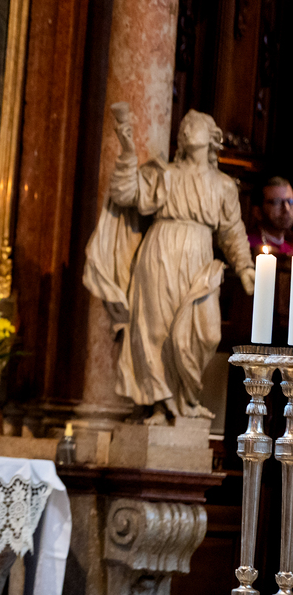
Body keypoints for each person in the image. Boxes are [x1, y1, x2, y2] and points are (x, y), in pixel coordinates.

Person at [84, 108, 255, 425]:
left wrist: (245, 267)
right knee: (156, 331)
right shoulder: (164, 174)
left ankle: (187, 399)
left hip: (199, 259)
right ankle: (162, 406)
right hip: (159, 255)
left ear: (212, 136)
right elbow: (126, 193)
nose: (186, 129)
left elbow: (232, 231)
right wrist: (128, 150)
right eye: (183, 126)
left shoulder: (223, 186)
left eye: (194, 125)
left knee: (206, 333)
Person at [248, 176, 293, 255]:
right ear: (257, 212)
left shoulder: (290, 247)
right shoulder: (246, 246)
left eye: (290, 201)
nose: (287, 209)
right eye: (277, 202)